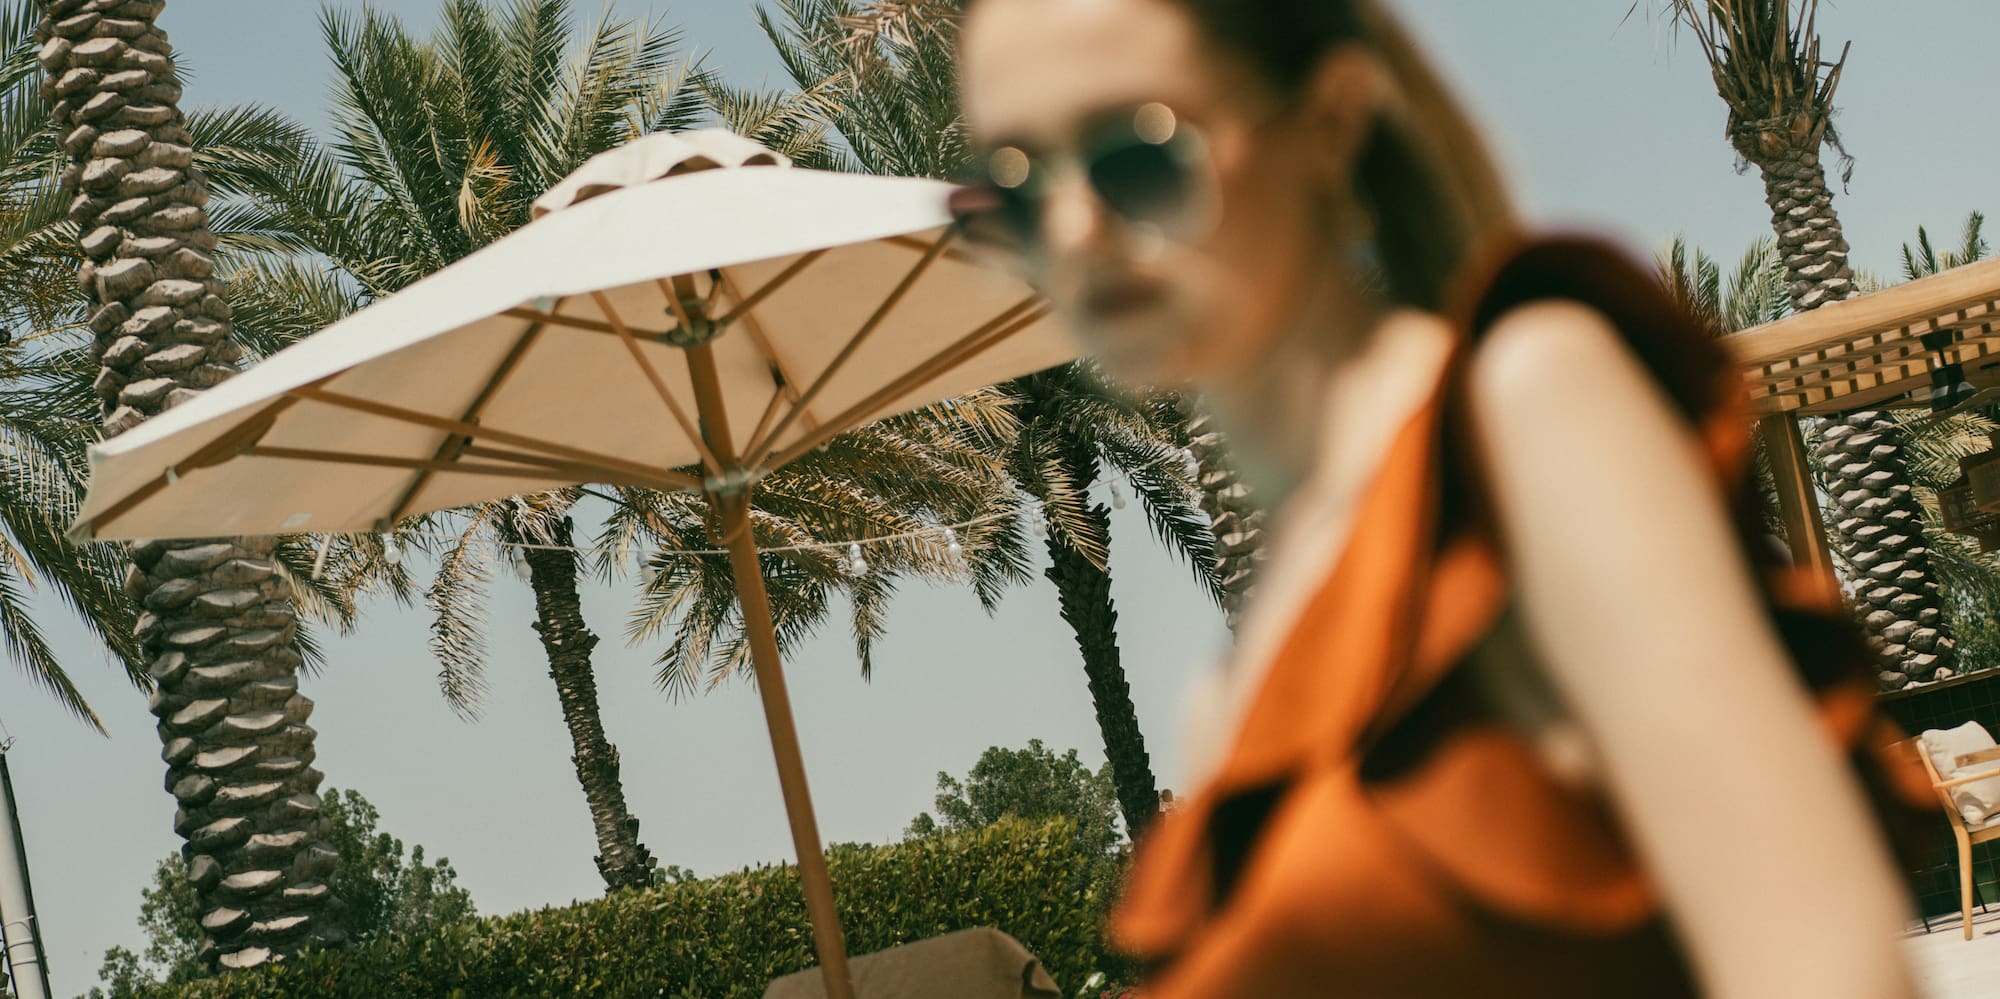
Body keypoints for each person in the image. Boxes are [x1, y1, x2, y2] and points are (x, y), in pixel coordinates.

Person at [953, 1, 1922, 996]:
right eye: (1016, 194)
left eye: (1133, 159)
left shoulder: (1521, 418)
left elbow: (1822, 961)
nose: (1072, 230)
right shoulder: (1234, 685)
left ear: (1328, 121)